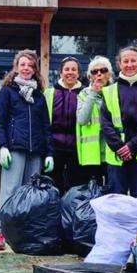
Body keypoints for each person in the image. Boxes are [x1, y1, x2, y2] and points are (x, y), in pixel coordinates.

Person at [0, 49, 54, 251]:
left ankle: (26, 234)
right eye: (23, 64)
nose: (26, 68)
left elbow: (46, 127)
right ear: (16, 67)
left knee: (31, 196)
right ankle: (1, 232)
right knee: (10, 191)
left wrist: (49, 153)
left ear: (35, 69)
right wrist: (3, 146)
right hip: (15, 149)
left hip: (35, 151)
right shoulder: (7, 92)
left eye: (30, 65)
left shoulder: (39, 96)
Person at [100, 46, 137, 197]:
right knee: (116, 200)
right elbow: (105, 124)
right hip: (117, 153)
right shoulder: (108, 91)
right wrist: (120, 147)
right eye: (125, 61)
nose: (129, 64)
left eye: (133, 60)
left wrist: (132, 147)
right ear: (119, 64)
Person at [44, 56, 86, 194]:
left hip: (77, 151)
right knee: (54, 188)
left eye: (74, 69)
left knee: (76, 189)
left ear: (78, 73)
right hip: (54, 149)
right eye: (66, 69)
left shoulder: (85, 94)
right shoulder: (50, 93)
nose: (70, 72)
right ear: (61, 73)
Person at [76, 55, 114, 186]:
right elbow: (82, 120)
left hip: (113, 152)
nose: (99, 74)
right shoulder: (84, 95)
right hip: (92, 155)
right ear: (90, 76)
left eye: (103, 71)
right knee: (93, 195)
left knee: (112, 193)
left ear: (109, 74)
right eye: (94, 72)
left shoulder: (116, 93)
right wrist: (92, 94)